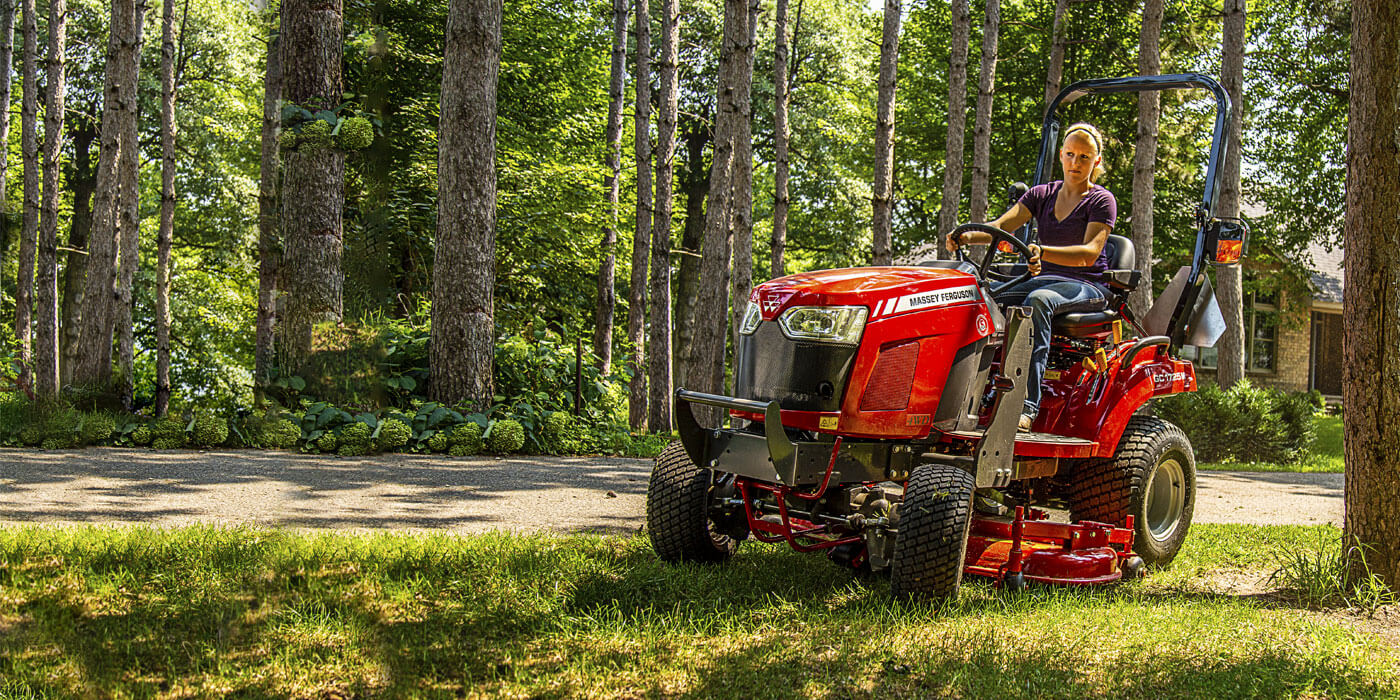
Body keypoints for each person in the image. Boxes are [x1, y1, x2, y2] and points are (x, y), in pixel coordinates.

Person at [945, 122, 1118, 431]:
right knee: (982, 294)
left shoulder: (1101, 201)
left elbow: (1089, 253)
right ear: (1061, 155)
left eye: (1084, 157)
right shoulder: (1042, 194)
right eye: (1070, 154)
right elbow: (1002, 227)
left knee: (1037, 300)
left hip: (1087, 285)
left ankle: (1027, 406)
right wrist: (966, 237)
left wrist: (1043, 252)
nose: (1076, 163)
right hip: (1044, 279)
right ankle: (967, 392)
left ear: (1097, 161)